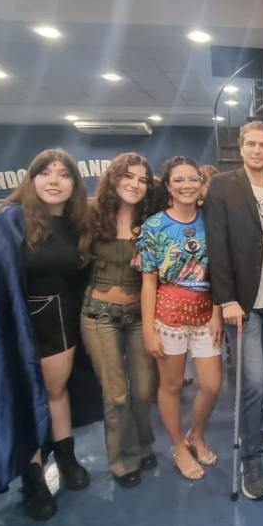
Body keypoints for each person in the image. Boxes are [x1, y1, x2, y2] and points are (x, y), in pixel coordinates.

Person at [0, 148, 93, 520]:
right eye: (46, 172)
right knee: (22, 398)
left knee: (57, 391)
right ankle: (33, 476)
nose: (55, 180)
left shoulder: (74, 223)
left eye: (64, 174)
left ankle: (66, 456)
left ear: (74, 184)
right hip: (14, 325)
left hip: (60, 320)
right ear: (31, 178)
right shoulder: (9, 220)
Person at [204, 120, 263, 499]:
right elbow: (217, 246)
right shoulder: (223, 186)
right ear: (241, 148)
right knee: (251, 380)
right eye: (251, 144)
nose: (257, 150)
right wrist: (226, 300)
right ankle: (250, 458)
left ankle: (254, 428)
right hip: (241, 300)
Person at [139, 156, 222, 481]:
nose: (187, 185)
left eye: (192, 179)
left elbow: (221, 272)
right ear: (168, 186)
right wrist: (149, 329)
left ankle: (195, 434)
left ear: (201, 184)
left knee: (212, 385)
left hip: (205, 313)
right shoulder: (154, 226)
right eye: (179, 180)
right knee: (171, 385)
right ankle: (177, 445)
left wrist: (217, 312)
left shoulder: (212, 221)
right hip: (168, 315)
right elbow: (148, 282)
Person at [81, 153, 159, 488]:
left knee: (143, 391)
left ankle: (144, 445)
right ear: (113, 178)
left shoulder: (151, 220)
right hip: (98, 315)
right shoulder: (91, 216)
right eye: (128, 176)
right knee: (116, 395)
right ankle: (123, 459)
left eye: (142, 179)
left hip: (139, 315)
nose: (135, 184)